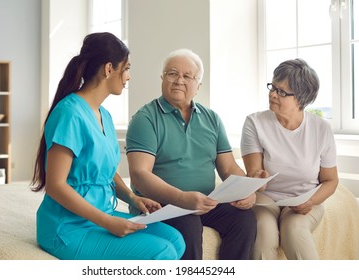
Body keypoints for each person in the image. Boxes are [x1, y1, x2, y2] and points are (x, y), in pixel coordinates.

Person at [31, 32, 185, 260]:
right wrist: (107, 222)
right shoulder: (69, 114)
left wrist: (133, 199)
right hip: (68, 227)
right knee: (163, 252)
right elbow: (56, 185)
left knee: (175, 240)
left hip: (101, 214)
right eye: (127, 68)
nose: (129, 77)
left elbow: (106, 172)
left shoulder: (105, 116)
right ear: (109, 69)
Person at [126, 49, 257, 260]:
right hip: (161, 204)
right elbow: (140, 175)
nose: (179, 80)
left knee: (244, 218)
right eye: (172, 73)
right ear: (162, 78)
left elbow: (229, 168)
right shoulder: (145, 119)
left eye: (187, 76)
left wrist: (246, 191)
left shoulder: (212, 119)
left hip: (205, 201)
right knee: (188, 223)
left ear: (198, 86)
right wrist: (181, 198)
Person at [241, 58, 339, 260]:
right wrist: (257, 177)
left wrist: (311, 201)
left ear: (301, 99)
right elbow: (253, 174)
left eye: (282, 92)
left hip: (304, 197)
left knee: (294, 231)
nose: (273, 94)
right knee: (265, 234)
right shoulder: (255, 122)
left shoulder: (321, 129)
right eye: (273, 87)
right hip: (266, 197)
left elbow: (331, 180)